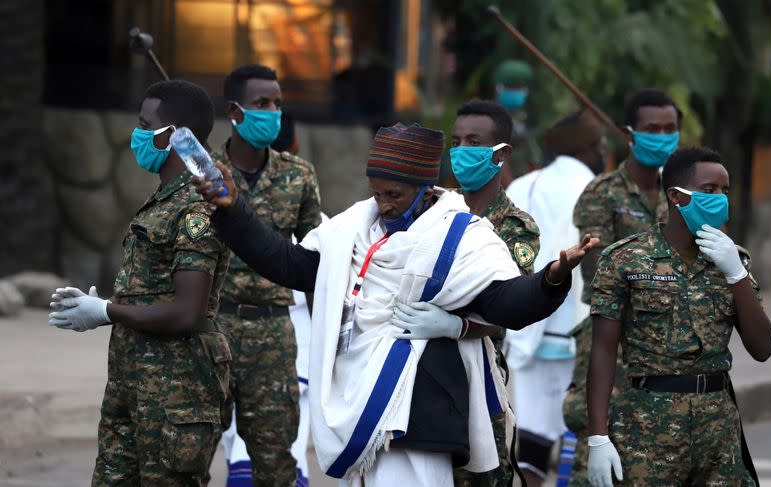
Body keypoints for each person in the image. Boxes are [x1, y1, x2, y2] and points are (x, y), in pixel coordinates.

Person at [194, 122, 598, 486]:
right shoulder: (354, 226)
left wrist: (551, 278)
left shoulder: (463, 235)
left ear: (426, 192)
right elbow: (291, 265)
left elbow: (506, 303)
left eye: (395, 194)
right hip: (359, 411)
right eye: (377, 192)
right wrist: (234, 212)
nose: (384, 204)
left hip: (422, 419)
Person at [48, 80, 231, 486]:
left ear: (172, 135)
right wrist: (106, 303)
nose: (137, 134)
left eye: (144, 124)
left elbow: (188, 310)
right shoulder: (164, 199)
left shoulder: (197, 207)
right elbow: (155, 290)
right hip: (133, 385)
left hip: (176, 396)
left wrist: (107, 312)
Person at [586, 147, 771, 486]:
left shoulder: (733, 261)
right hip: (647, 428)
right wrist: (598, 437)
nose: (720, 200)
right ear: (676, 196)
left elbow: (762, 347)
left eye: (725, 191)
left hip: (718, 429)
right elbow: (601, 350)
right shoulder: (626, 260)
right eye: (709, 190)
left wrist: (736, 276)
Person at [211, 64, 322, 487]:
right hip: (212, 327)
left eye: (276, 103)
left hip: (274, 331)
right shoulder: (203, 175)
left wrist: (326, 340)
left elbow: (315, 264)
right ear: (234, 112)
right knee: (190, 451)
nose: (272, 112)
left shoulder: (299, 175)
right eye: (262, 104)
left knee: (277, 459)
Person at [565, 89, 679, 485]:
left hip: (669, 348)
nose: (662, 136)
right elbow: (597, 271)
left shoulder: (687, 196)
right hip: (610, 343)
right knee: (594, 452)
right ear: (630, 135)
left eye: (670, 129)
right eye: (653, 129)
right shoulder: (603, 194)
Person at [504, 109, 606, 486]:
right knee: (573, 429)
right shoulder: (599, 190)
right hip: (579, 330)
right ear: (586, 149)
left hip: (527, 329)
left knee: (531, 432)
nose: (603, 151)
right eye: (599, 145)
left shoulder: (523, 187)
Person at [445, 100, 541, 487]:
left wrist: (452, 323)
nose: (460, 151)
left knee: (484, 476)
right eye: (456, 141)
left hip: (480, 371)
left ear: (500, 154)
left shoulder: (515, 226)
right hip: (423, 369)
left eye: (473, 141)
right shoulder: (434, 207)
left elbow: (507, 304)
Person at [493, 59, 539, 185]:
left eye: (520, 88)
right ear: (499, 88)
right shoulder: (490, 118)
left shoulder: (525, 115)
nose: (517, 92)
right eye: (512, 88)